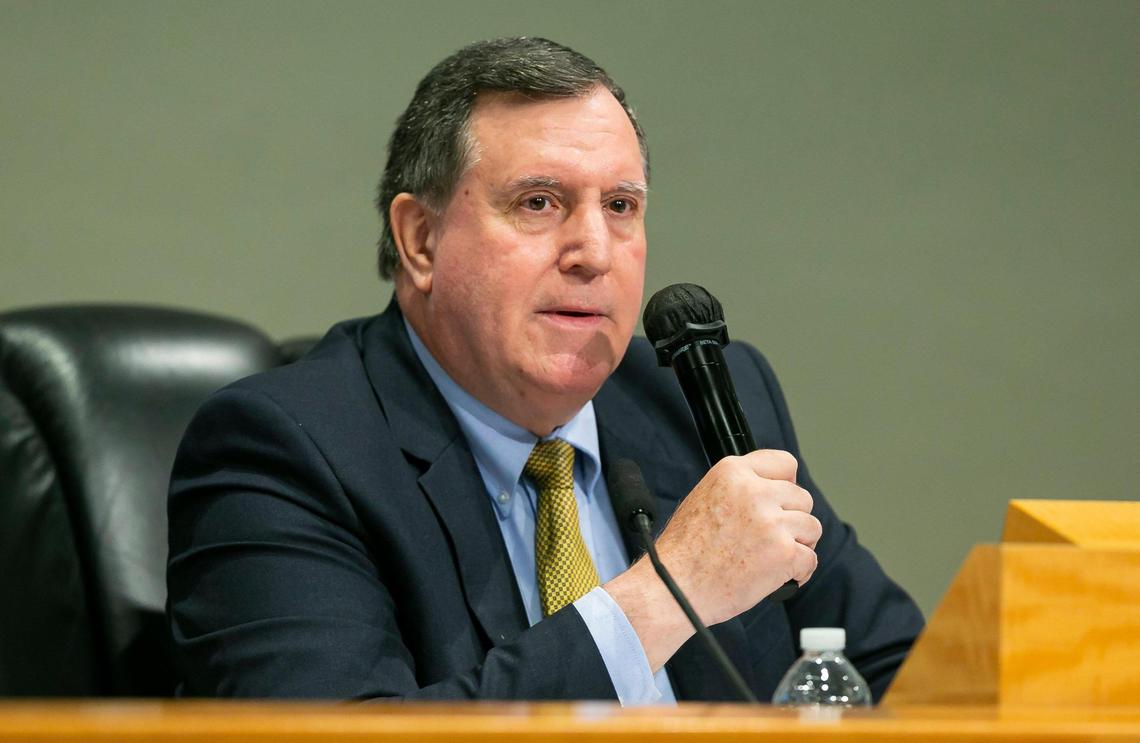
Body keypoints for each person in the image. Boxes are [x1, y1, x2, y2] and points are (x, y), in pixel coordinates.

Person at [166, 37, 923, 703]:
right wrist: (668, 591)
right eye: (539, 202)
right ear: (420, 240)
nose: (594, 251)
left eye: (622, 206)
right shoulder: (284, 450)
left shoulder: (700, 400)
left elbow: (905, 675)